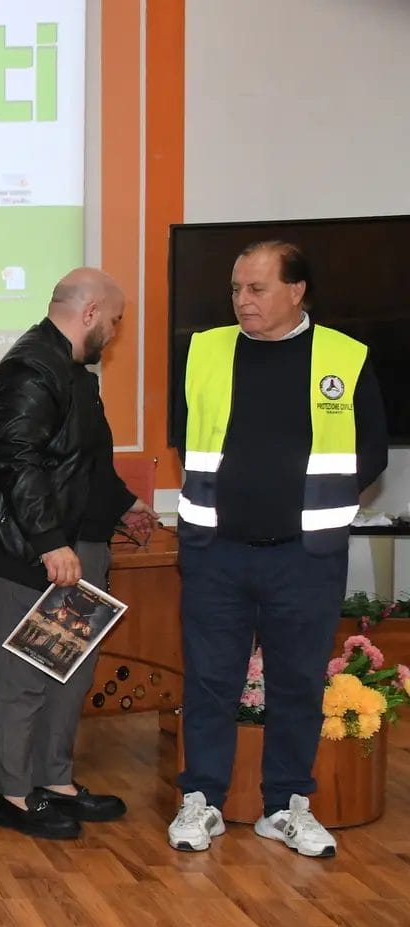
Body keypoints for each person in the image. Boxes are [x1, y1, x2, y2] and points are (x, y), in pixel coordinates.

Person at [171, 240, 387, 857]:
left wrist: (309, 500)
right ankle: (202, 801)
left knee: (297, 684)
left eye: (257, 288)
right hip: (216, 552)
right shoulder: (205, 349)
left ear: (296, 291)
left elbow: (370, 450)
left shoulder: (345, 356)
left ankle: (285, 807)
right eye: (236, 289)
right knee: (210, 681)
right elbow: (187, 434)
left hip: (305, 556)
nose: (242, 300)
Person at [0, 268, 153, 840]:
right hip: (29, 551)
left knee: (69, 671)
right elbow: (19, 461)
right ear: (90, 313)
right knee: (26, 676)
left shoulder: (71, 369)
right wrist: (50, 542)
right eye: (114, 320)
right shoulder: (32, 368)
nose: (115, 331)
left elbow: (80, 461)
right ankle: (14, 795)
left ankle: (54, 781)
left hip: (70, 544)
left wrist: (125, 505)